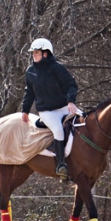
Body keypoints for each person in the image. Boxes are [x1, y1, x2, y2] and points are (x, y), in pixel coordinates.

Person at [20, 37, 80, 179]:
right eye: (33, 53)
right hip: (47, 112)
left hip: (64, 107)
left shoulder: (58, 69)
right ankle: (61, 165)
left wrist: (71, 101)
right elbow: (29, 93)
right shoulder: (30, 71)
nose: (33, 55)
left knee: (84, 119)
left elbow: (71, 85)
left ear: (46, 54)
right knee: (58, 130)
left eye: (36, 53)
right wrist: (25, 110)